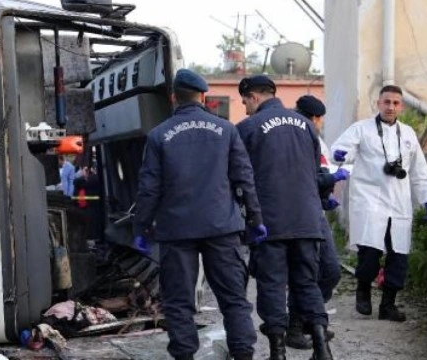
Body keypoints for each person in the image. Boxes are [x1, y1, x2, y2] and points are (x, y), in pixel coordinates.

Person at [133, 69, 267, 360]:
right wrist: (255, 220)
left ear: (173, 98)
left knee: (179, 301)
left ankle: (184, 355)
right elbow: (244, 179)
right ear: (203, 97)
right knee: (233, 298)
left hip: (176, 230)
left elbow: (149, 188)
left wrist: (141, 227)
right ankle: (243, 353)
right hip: (222, 226)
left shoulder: (159, 135)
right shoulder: (226, 130)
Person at [236, 76, 333, 360]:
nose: (244, 108)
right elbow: (317, 173)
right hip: (307, 221)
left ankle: (278, 352)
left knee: (272, 285)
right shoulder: (307, 126)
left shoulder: (247, 128)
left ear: (254, 96)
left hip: (270, 222)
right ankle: (322, 348)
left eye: (244, 102)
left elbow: (239, 176)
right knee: (307, 283)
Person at [331, 85, 427, 322]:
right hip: (369, 200)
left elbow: (420, 171)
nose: (391, 107)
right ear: (378, 103)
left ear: (401, 106)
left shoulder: (408, 134)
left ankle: (388, 305)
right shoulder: (362, 129)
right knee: (370, 252)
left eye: (396, 103)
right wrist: (340, 154)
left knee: (399, 255)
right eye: (386, 102)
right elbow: (341, 148)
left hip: (399, 202)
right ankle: (363, 292)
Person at [282, 95, 349, 349]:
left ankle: (309, 319)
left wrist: (326, 197)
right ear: (315, 118)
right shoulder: (295, 136)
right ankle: (296, 327)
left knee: (330, 271)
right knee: (307, 273)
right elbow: (303, 178)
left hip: (315, 212)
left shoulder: (316, 139)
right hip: (298, 215)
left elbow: (318, 172)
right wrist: (330, 181)